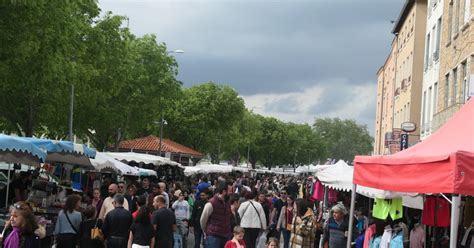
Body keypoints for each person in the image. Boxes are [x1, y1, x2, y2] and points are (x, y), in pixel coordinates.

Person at [200, 182, 232, 248]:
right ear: (224, 191)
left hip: (226, 235)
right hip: (213, 236)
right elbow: (203, 219)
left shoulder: (227, 202)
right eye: (230, 191)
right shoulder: (211, 203)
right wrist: (205, 231)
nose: (231, 192)